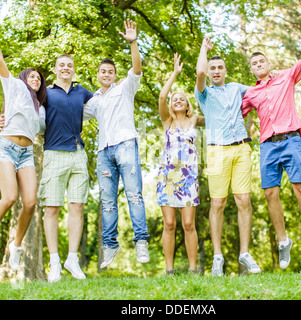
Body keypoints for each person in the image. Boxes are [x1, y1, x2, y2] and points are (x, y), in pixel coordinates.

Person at [241, 4, 301, 269]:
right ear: (252, 70)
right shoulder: (250, 94)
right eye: (254, 64)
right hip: (267, 146)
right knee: (270, 193)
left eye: (261, 61)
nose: (258, 65)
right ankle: (282, 241)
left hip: (290, 140)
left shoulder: (286, 77)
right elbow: (233, 116)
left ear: (269, 64)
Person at [0, 14, 47, 272]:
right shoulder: (14, 87)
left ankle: (15, 246)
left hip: (26, 153)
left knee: (29, 202)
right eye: (33, 76)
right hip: (6, 147)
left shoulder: (41, 110)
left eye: (39, 79)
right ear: (24, 77)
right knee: (9, 198)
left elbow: (50, 127)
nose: (36, 79)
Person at [83, 19, 150, 269]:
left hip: (125, 145)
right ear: (98, 75)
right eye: (103, 72)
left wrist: (133, 42)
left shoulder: (126, 88)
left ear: (115, 75)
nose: (106, 75)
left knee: (134, 195)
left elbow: (137, 68)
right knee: (107, 201)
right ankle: (110, 245)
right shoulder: (94, 100)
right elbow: (70, 115)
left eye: (110, 72)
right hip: (103, 151)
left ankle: (141, 241)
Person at [195, 38, 261, 276]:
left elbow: (260, 89)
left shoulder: (236, 88)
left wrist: (271, 73)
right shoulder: (203, 94)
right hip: (216, 151)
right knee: (218, 203)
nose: (215, 71)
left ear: (225, 71)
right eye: (213, 68)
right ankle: (217, 257)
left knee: (244, 200)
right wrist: (205, 49)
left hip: (242, 147)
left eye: (219, 67)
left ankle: (244, 252)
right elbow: (200, 71)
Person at [36, 52, 94, 282]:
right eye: (62, 65)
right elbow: (28, 111)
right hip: (53, 153)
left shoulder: (82, 91)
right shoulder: (46, 93)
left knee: (77, 206)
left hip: (78, 153)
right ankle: (55, 262)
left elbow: (103, 101)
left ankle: (72, 259)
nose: (66, 68)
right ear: (55, 69)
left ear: (73, 69)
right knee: (51, 208)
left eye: (69, 65)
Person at [157, 53, 205, 275]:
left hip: (189, 178)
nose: (177, 100)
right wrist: (175, 73)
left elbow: (212, 111)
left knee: (188, 224)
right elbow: (161, 97)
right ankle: (169, 270)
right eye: (174, 98)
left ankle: (194, 269)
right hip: (168, 177)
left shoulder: (194, 120)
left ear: (187, 104)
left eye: (181, 98)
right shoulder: (168, 120)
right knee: (169, 224)